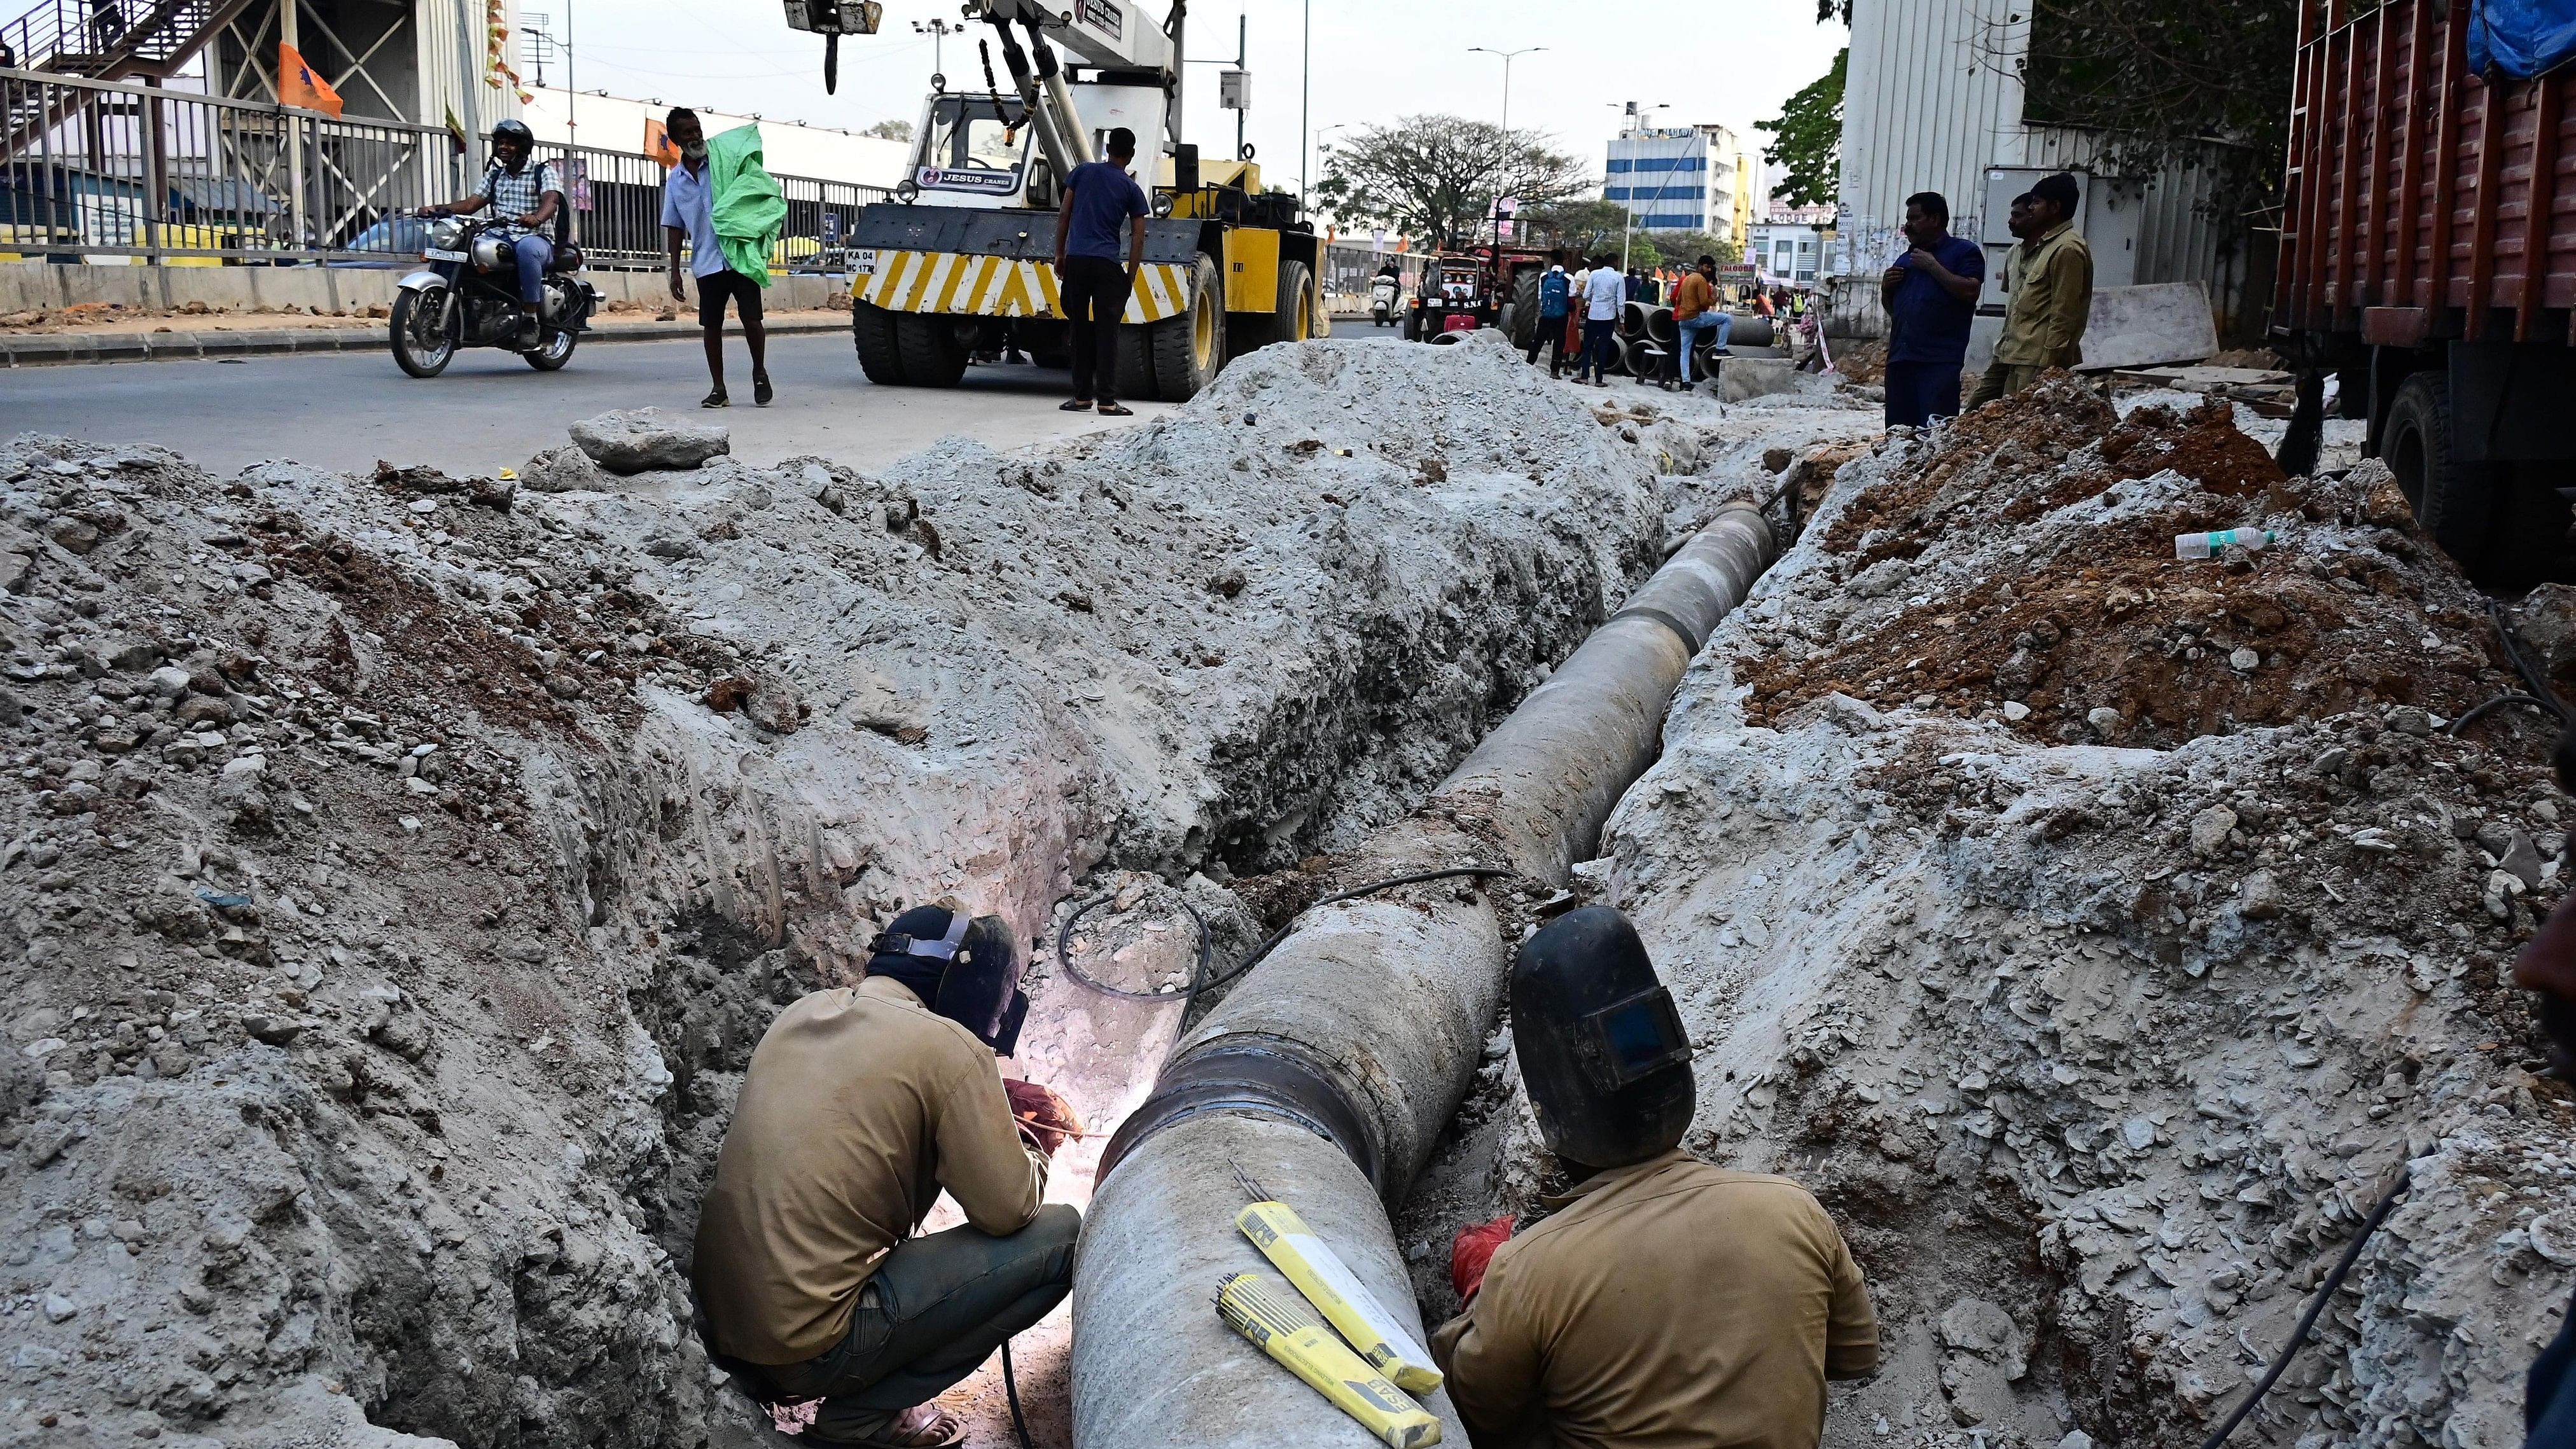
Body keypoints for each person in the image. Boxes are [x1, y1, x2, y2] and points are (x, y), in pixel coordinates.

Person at [1434, 908, 1880, 1449]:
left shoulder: (1530, 1271)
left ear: (1549, 1105)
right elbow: (1852, 1355)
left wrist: (1485, 1300)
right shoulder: (1791, 1208)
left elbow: (1474, 1417)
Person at [695, 903, 1082, 1449]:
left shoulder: (800, 1014)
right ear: (970, 984)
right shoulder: (951, 1049)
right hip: (808, 1347)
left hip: (726, 1322)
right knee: (1063, 1235)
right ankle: (862, 1417)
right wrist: (1035, 1142)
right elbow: (1007, 1210)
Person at [660, 109, 773, 408]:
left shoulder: (726, 163)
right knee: (712, 325)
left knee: (752, 318)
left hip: (740, 253)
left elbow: (754, 188)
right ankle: (718, 388)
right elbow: (674, 226)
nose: (696, 136)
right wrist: (674, 272)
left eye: (697, 129)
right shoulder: (676, 181)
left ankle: (759, 373)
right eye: (687, 133)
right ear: (675, 140)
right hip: (706, 261)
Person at [422, 120, 559, 350]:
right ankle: (452, 315)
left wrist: (537, 217)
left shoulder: (542, 172)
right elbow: (470, 204)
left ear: (523, 147)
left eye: (511, 144)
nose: (504, 148)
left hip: (535, 237)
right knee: (461, 247)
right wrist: (437, 208)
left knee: (526, 251)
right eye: (501, 143)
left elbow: (552, 200)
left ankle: (530, 319)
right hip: (499, 236)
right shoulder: (496, 176)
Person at [1971, 171, 2092, 408]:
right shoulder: (2037, 248)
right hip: (2011, 352)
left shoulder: (2067, 248)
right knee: (1977, 412)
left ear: (2055, 207)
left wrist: (2048, 368)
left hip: (2035, 360)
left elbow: (2064, 315)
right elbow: (2017, 304)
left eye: (2037, 203)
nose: (2032, 208)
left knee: (2020, 422)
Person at [1054, 125, 1150, 417]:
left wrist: (1060, 254)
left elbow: (1064, 214)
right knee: (1108, 333)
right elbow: (1138, 235)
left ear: (1107, 148)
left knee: (1079, 328)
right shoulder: (1131, 188)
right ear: (1131, 155)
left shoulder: (1082, 173)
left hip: (1078, 261)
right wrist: (1130, 276)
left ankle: (1082, 397)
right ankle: (1107, 401)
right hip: (1108, 265)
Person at [1878, 190, 1986, 430]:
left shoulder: (1963, 252)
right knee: (1898, 435)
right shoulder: (1905, 260)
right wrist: (1886, 289)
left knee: (1934, 433)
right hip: (1900, 362)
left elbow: (1970, 291)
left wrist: (1933, 267)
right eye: (1907, 220)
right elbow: (1895, 311)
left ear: (1935, 219)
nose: (1908, 226)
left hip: (1938, 364)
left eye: (1914, 219)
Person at [1673, 254, 1730, 391]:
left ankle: (1686, 381)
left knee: (1685, 352)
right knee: (1727, 319)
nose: (1709, 270)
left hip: (1683, 319)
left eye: (1710, 267)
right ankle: (1720, 348)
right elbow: (1704, 303)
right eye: (1707, 267)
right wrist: (1714, 300)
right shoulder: (1700, 281)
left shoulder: (1687, 279)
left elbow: (1678, 299)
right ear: (1700, 265)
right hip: (1695, 317)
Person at [1578, 254, 1626, 385]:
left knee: (1587, 346)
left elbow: (1586, 295)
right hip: (1608, 317)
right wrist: (1622, 321)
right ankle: (1599, 380)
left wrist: (1596, 300)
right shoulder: (1618, 278)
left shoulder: (1594, 274)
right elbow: (1621, 302)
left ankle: (1584, 377)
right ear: (1615, 262)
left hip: (1593, 315)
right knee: (1603, 348)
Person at [1527, 251, 1573, 375]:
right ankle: (1554, 372)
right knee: (1559, 343)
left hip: (1546, 315)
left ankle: (1528, 364)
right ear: (1563, 262)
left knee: (1538, 340)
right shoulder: (1569, 278)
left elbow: (1539, 297)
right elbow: (1571, 301)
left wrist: (1544, 310)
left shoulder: (1544, 277)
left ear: (1552, 261)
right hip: (1561, 316)